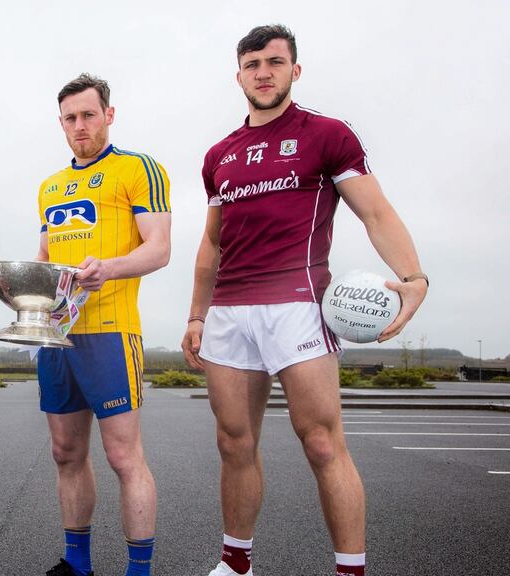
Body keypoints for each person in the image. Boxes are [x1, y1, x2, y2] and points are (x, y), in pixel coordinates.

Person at [182, 24, 428, 576]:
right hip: (229, 310)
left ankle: (350, 569)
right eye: (252, 64)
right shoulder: (220, 154)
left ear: (295, 70)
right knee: (233, 443)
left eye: (274, 62)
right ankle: (236, 563)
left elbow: (376, 213)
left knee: (320, 442)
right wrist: (198, 314)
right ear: (239, 74)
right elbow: (212, 243)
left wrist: (413, 277)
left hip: (298, 302)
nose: (262, 72)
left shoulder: (327, 134)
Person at [36, 73, 171, 576]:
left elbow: (159, 248)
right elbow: (46, 257)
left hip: (112, 332)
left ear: (108, 115)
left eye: (89, 115)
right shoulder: (50, 186)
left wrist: (106, 270)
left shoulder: (138, 169)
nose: (80, 126)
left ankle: (139, 571)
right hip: (57, 333)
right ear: (61, 123)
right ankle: (77, 564)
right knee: (65, 452)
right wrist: (21, 293)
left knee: (123, 457)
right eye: (70, 118)